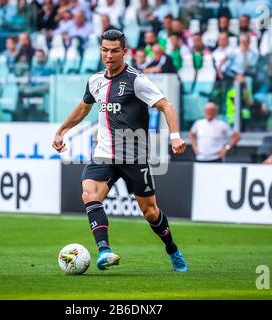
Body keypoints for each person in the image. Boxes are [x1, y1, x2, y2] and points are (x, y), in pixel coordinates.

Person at [52, 29, 188, 272]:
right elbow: (83, 109)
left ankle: (173, 250)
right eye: (105, 50)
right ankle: (104, 251)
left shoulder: (136, 80)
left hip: (133, 155)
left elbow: (167, 106)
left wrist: (175, 136)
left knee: (150, 212)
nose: (109, 55)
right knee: (89, 194)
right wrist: (62, 130)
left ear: (124, 52)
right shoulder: (95, 81)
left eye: (115, 50)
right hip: (104, 152)